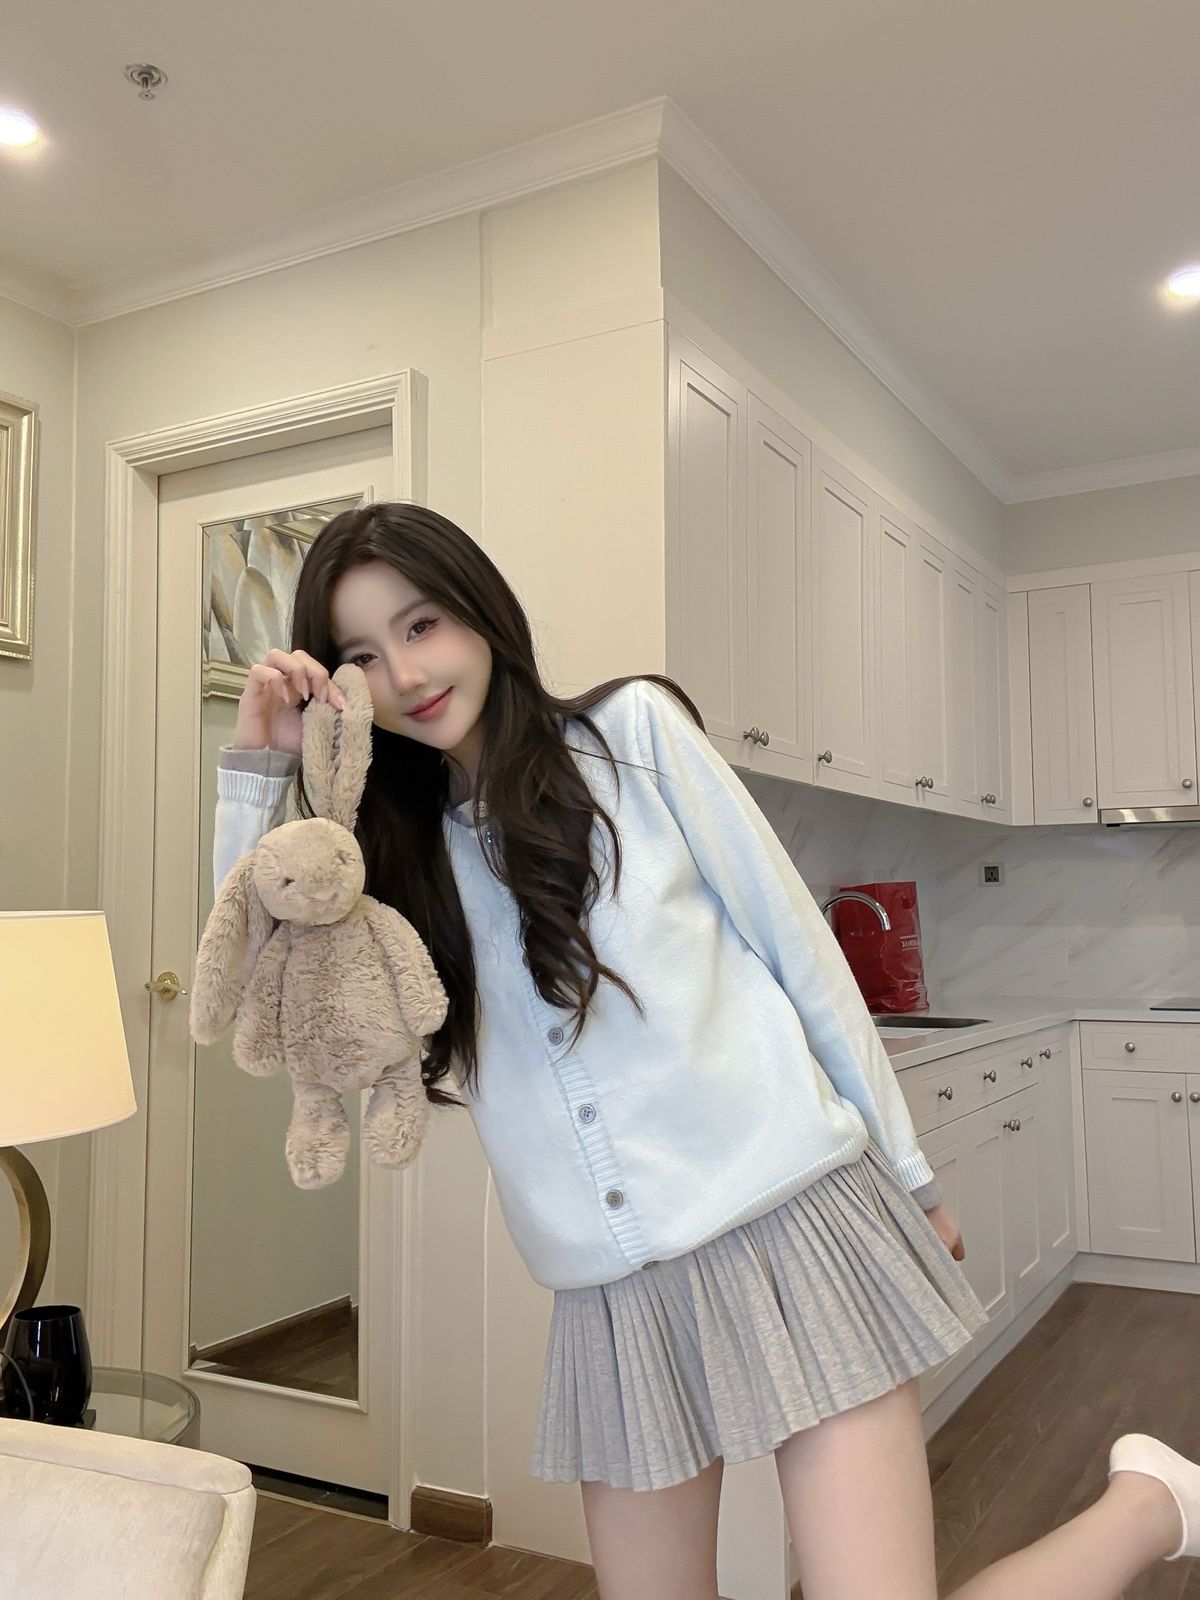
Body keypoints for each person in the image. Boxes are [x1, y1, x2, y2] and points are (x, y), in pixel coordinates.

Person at [213, 502, 1200, 1600]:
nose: (403, 673)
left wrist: (912, 1174)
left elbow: (797, 949)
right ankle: (1153, 1501)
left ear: (480, 613)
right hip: (613, 1299)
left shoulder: (629, 736)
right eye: (360, 655)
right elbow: (262, 989)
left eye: (422, 624)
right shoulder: (391, 862)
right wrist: (262, 772)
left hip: (790, 1222)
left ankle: (1145, 1508)